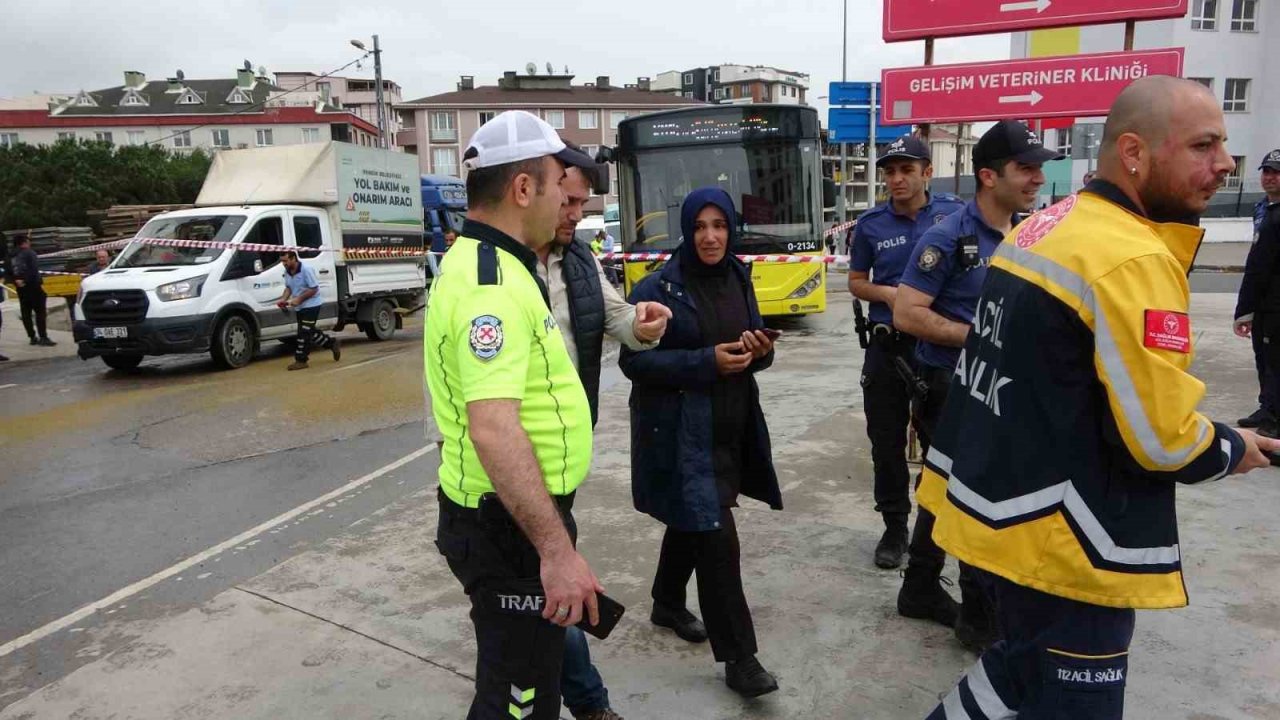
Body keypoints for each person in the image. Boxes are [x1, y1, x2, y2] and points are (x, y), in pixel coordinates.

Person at [919, 76, 1280, 719]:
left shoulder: (1048, 225)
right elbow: (1159, 438)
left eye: (1223, 145)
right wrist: (1231, 446)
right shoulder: (1132, 258)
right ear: (1135, 153)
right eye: (1203, 145)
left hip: (1001, 512)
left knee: (1014, 668)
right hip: (1071, 542)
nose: (1224, 163)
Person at [424, 110, 601, 720]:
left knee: (528, 685)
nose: (566, 202)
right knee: (519, 702)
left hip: (520, 520)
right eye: (558, 186)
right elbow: (493, 426)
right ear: (524, 188)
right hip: (510, 530)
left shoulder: (502, 264)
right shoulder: (490, 284)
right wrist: (555, 551)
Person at [893, 120, 1062, 653]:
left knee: (945, 492)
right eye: (1025, 168)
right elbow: (907, 312)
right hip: (949, 384)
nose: (1037, 178)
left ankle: (919, 586)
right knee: (971, 496)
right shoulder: (947, 237)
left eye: (1038, 168)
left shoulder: (1031, 232)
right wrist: (980, 337)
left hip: (1001, 385)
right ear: (988, 176)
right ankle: (978, 618)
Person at [620, 187, 783, 698]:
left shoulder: (738, 275)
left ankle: (667, 602)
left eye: (719, 225)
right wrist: (704, 362)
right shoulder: (659, 287)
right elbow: (634, 362)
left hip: (731, 427)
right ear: (686, 230)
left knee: (694, 521)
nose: (710, 236)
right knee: (716, 535)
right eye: (699, 227)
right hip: (681, 434)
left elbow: (753, 344)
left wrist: (759, 352)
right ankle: (740, 658)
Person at [534, 145, 672, 720]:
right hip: (509, 457)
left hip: (563, 450)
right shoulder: (493, 269)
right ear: (533, 189)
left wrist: (644, 323)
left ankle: (545, 681)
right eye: (566, 202)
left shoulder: (581, 259)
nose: (574, 214)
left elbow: (614, 316)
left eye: (582, 204)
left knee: (542, 582)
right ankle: (588, 701)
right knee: (547, 580)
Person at [848, 135, 964, 570]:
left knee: (942, 441)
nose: (896, 179)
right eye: (890, 172)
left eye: (906, 170)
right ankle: (895, 526)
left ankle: (933, 530)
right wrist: (888, 293)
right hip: (887, 347)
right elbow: (856, 280)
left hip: (936, 347)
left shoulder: (953, 216)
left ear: (927, 173)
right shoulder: (871, 225)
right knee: (885, 441)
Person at [1236, 150, 1280, 438]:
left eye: (1275, 173)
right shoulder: (1264, 209)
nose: (1269, 178)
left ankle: (1275, 420)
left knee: (1275, 361)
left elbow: (1261, 265)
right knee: (1263, 357)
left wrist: (1244, 308)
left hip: (1275, 303)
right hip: (1265, 302)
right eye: (1266, 171)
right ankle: (1267, 407)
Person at [276, 250, 339, 371]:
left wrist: (299, 299)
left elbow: (314, 289)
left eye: (285, 260)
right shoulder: (287, 272)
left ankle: (301, 360)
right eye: (282, 261)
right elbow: (288, 288)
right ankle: (331, 343)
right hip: (300, 307)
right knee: (310, 332)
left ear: (293, 258)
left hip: (312, 305)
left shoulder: (306, 270)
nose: (283, 263)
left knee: (303, 333)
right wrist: (283, 299)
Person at [11, 235, 55, 347]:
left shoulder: (11, 255)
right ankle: (43, 337)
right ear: (25, 242)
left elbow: (7, 271)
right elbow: (34, 270)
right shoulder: (30, 253)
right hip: (33, 286)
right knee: (40, 312)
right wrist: (27, 280)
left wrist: (16, 281)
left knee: (26, 313)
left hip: (20, 288)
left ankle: (32, 337)